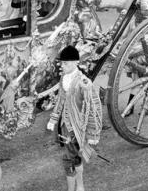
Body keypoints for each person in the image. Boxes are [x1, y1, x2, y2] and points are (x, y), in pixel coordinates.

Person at [47, 45, 102, 191]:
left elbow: (93, 108)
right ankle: (80, 186)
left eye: (65, 63)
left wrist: (93, 133)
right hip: (65, 126)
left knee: (68, 159)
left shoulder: (83, 83)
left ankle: (75, 188)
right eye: (62, 63)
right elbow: (60, 100)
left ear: (75, 63)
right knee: (75, 156)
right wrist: (53, 119)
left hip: (77, 126)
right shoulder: (63, 79)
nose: (62, 66)